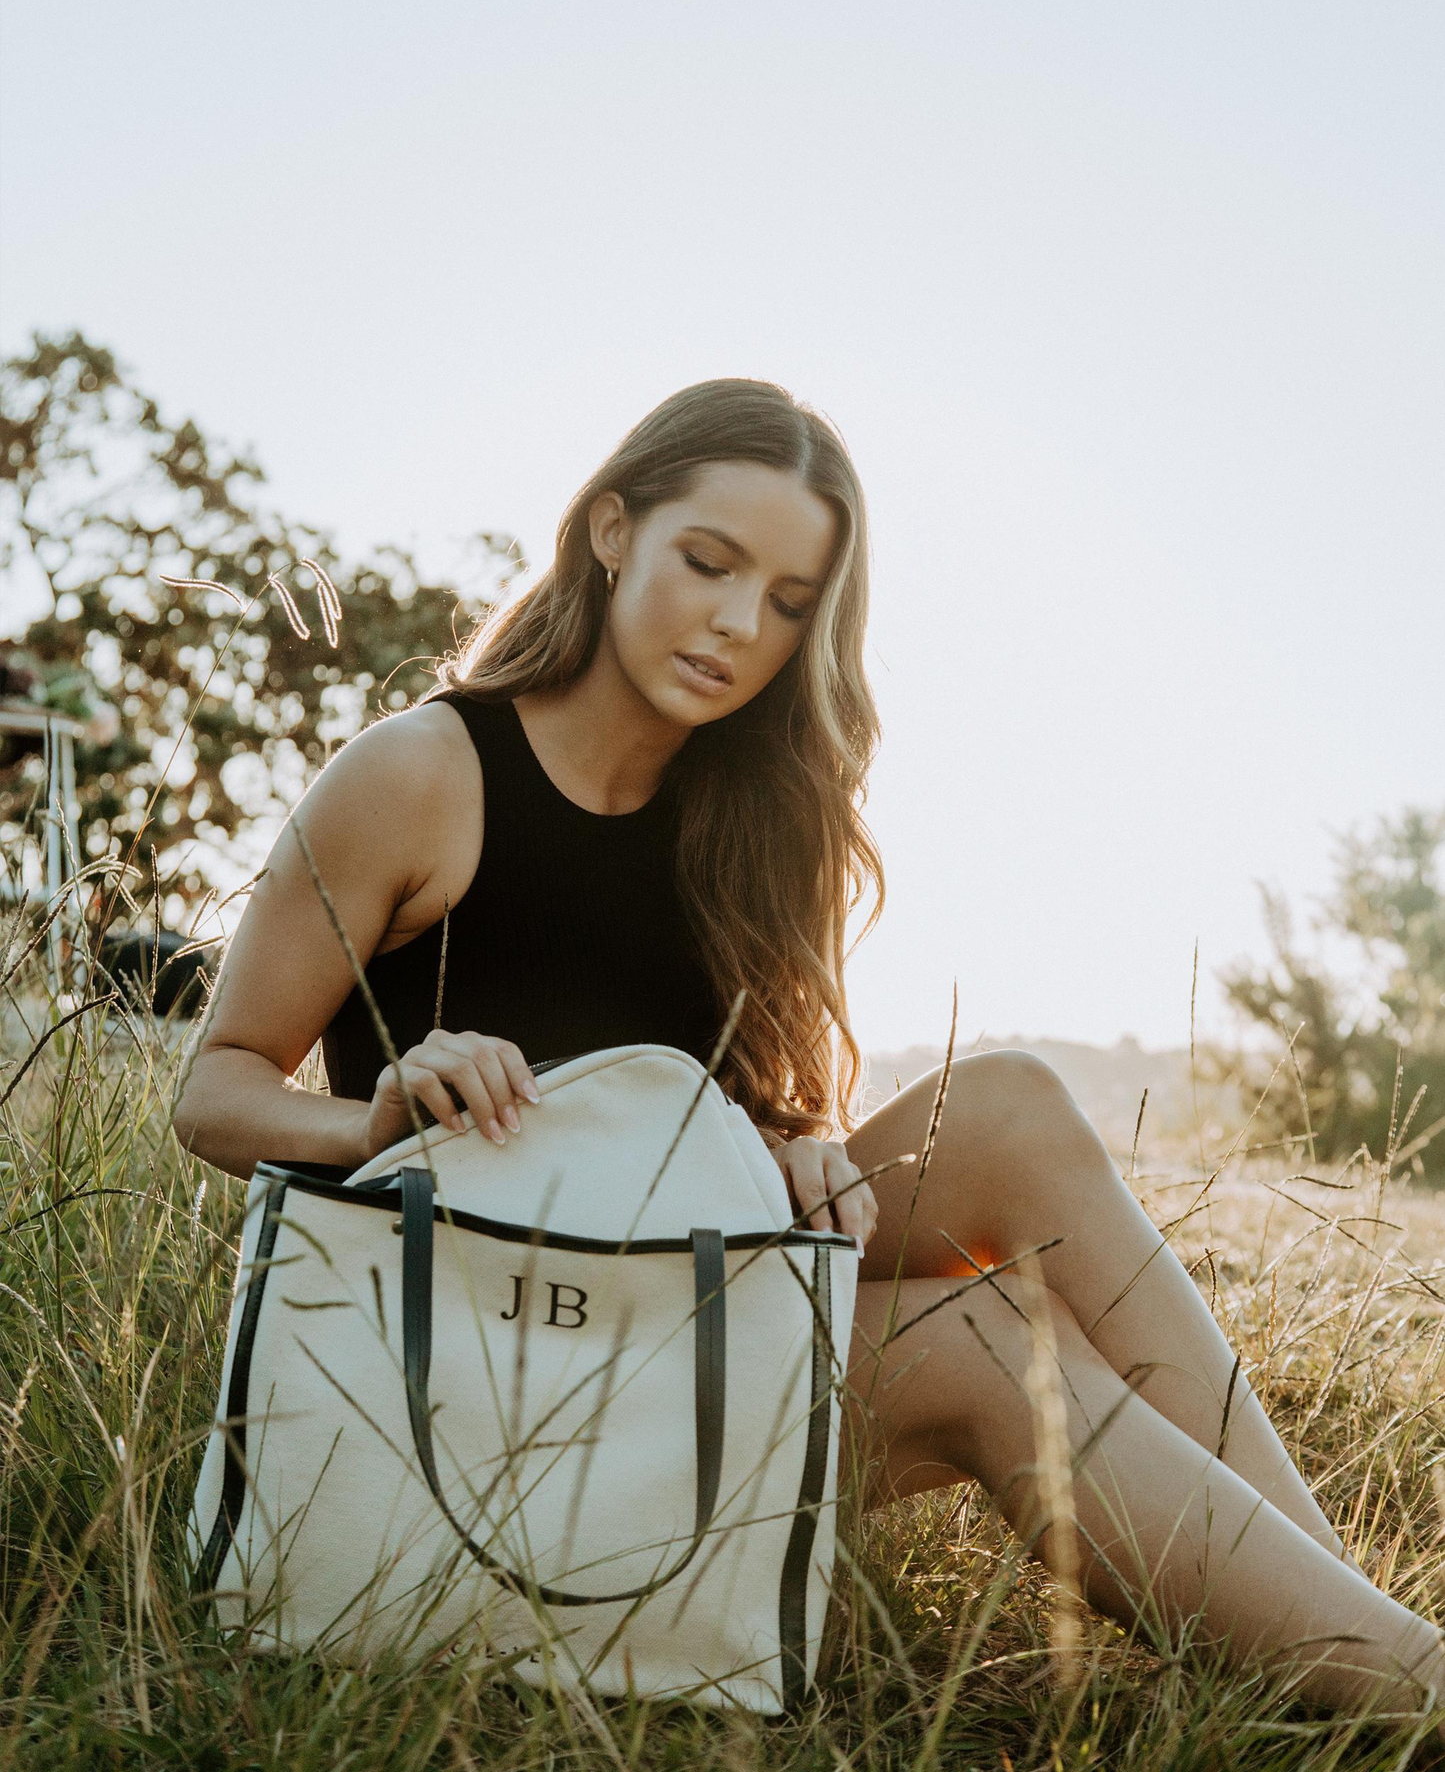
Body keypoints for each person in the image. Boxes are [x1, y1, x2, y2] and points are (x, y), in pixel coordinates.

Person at [174, 378, 1444, 1723]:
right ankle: (1404, 1688)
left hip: (695, 1339)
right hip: (484, 1372)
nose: (739, 625)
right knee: (979, 1339)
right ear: (612, 531)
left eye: (790, 602)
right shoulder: (423, 773)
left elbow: (753, 1110)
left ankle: (1361, 1634)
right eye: (708, 564)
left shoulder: (767, 816)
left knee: (1008, 1104)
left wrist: (796, 1145)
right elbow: (216, 1089)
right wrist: (378, 1125)